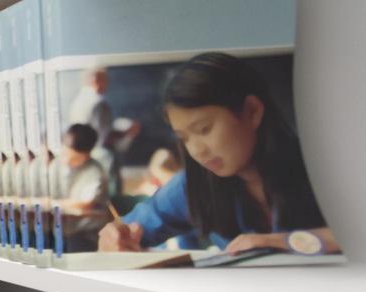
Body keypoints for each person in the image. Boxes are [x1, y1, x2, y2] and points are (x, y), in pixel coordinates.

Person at [99, 52, 339, 256]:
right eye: (183, 138)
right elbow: (128, 229)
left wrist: (277, 242)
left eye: (204, 129)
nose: (197, 150)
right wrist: (114, 239)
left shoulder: (327, 163)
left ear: (252, 112)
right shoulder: (193, 185)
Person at [54, 124, 110, 254]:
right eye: (64, 153)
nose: (66, 159)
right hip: (61, 229)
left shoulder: (95, 171)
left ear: (87, 154)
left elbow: (86, 203)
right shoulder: (58, 165)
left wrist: (53, 203)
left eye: (72, 156)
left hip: (85, 234)